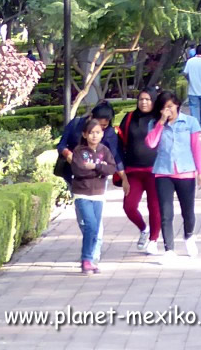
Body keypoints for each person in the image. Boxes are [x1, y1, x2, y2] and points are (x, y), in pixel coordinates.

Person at [145, 90, 201, 261]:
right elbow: (151, 143)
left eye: (170, 107)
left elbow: (196, 148)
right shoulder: (155, 124)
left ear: (177, 105)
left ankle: (189, 236)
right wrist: (161, 123)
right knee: (165, 212)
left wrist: (200, 172)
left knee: (188, 211)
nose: (168, 111)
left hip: (185, 171)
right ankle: (169, 249)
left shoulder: (190, 122)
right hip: (163, 172)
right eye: (164, 108)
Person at [70, 117, 118, 274]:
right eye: (91, 133)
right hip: (82, 194)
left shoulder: (104, 150)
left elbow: (111, 168)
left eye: (98, 132)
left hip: (98, 194)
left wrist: (95, 166)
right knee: (90, 225)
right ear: (85, 134)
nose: (94, 136)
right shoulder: (79, 151)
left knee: (95, 228)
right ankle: (86, 259)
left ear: (102, 134)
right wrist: (99, 170)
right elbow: (79, 170)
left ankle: (90, 260)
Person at [117, 90, 161, 255]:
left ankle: (153, 240)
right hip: (133, 171)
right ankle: (144, 229)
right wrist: (121, 171)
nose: (144, 102)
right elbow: (119, 145)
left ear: (154, 101)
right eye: (141, 99)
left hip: (155, 171)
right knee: (129, 206)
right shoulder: (129, 118)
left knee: (154, 207)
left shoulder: (159, 119)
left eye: (148, 99)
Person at [58, 101, 124, 182]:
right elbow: (61, 145)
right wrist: (67, 153)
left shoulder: (109, 132)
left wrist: (124, 178)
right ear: (91, 117)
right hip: (72, 174)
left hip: (97, 178)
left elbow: (115, 156)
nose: (99, 128)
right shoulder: (75, 124)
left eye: (104, 125)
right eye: (97, 124)